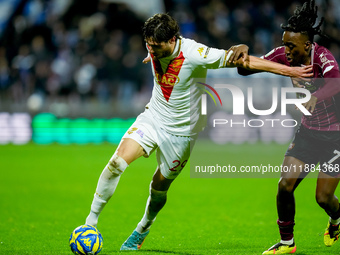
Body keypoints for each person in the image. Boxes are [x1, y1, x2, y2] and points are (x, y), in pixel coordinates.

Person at [84, 13, 312, 251]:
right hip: (153, 118)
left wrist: (291, 72)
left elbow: (244, 61)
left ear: (172, 40)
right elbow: (154, 49)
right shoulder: (156, 46)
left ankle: (143, 227)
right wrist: (152, 52)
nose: (151, 50)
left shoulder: (195, 54)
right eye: (148, 45)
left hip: (183, 133)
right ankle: (91, 223)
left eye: (156, 47)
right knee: (116, 163)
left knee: (159, 186)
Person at [238, 1, 340, 254]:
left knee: (323, 199)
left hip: (336, 136)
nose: (286, 50)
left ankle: (336, 220)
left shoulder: (323, 57)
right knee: (285, 185)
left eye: (291, 45)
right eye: (284, 44)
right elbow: (247, 69)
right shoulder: (285, 55)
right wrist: (243, 53)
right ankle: (287, 243)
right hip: (308, 133)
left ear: (307, 44)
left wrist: (316, 96)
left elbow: (336, 82)